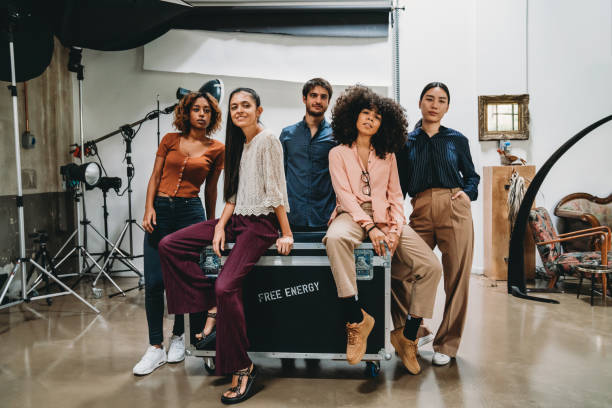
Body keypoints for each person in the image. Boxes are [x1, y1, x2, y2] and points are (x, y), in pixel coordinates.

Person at [158, 88, 293, 404]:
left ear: (259, 110)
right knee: (170, 245)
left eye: (246, 105)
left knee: (227, 286)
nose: (240, 110)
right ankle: (212, 304)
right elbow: (233, 194)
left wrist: (286, 233)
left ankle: (243, 367)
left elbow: (275, 191)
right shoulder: (240, 144)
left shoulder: (268, 139)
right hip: (236, 220)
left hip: (261, 225)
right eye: (235, 106)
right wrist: (219, 224)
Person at [323, 85, 442, 374]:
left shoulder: (387, 156)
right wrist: (371, 227)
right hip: (351, 215)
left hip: (387, 218)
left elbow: (396, 196)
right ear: (352, 116)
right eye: (365, 113)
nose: (370, 119)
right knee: (335, 239)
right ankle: (356, 319)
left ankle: (408, 336)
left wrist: (395, 230)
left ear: (382, 124)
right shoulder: (337, 153)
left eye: (376, 117)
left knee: (431, 266)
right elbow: (345, 197)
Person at [133, 91, 224, 376]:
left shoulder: (217, 148)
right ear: (186, 112)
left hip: (190, 214)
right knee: (154, 281)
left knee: (186, 280)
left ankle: (181, 337)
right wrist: (149, 208)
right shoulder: (169, 140)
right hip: (161, 210)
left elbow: (211, 189)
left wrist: (212, 225)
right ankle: (155, 347)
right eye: (196, 109)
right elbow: (155, 176)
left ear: (212, 116)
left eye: (206, 110)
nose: (201, 114)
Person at [396, 82, 480, 366]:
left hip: (454, 208)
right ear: (420, 103)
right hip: (419, 208)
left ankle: (447, 343)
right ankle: (415, 332)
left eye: (441, 100)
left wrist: (467, 194)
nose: (435, 104)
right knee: (399, 272)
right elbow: (399, 184)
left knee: (457, 278)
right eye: (429, 99)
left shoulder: (457, 139)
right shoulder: (406, 142)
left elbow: (472, 177)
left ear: (447, 107)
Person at [280, 78, 337, 230]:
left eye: (323, 96)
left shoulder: (337, 136)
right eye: (313, 95)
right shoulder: (287, 134)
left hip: (326, 217)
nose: (318, 100)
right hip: (292, 216)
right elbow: (279, 175)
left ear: (328, 101)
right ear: (304, 99)